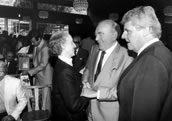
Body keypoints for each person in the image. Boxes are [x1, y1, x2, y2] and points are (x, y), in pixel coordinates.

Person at [117, 6, 172, 121]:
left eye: (128, 30)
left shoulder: (152, 61)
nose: (122, 36)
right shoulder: (158, 53)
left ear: (147, 30)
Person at [81, 19, 133, 121]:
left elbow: (126, 91)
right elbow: (87, 68)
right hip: (89, 111)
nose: (96, 38)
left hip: (108, 115)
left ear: (113, 35)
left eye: (100, 34)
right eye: (96, 34)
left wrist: (97, 94)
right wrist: (85, 80)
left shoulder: (127, 57)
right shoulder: (94, 49)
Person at [49, 31, 89, 121]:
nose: (75, 46)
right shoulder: (65, 71)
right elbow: (74, 106)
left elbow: (71, 79)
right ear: (63, 45)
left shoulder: (61, 64)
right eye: (71, 43)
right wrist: (87, 94)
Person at [22, 29, 53, 111]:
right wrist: (27, 56)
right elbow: (36, 56)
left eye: (33, 42)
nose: (32, 44)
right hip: (38, 76)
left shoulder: (45, 47)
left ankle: (47, 117)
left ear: (39, 39)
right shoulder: (37, 44)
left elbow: (43, 65)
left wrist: (29, 71)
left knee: (46, 102)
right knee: (36, 99)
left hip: (45, 77)